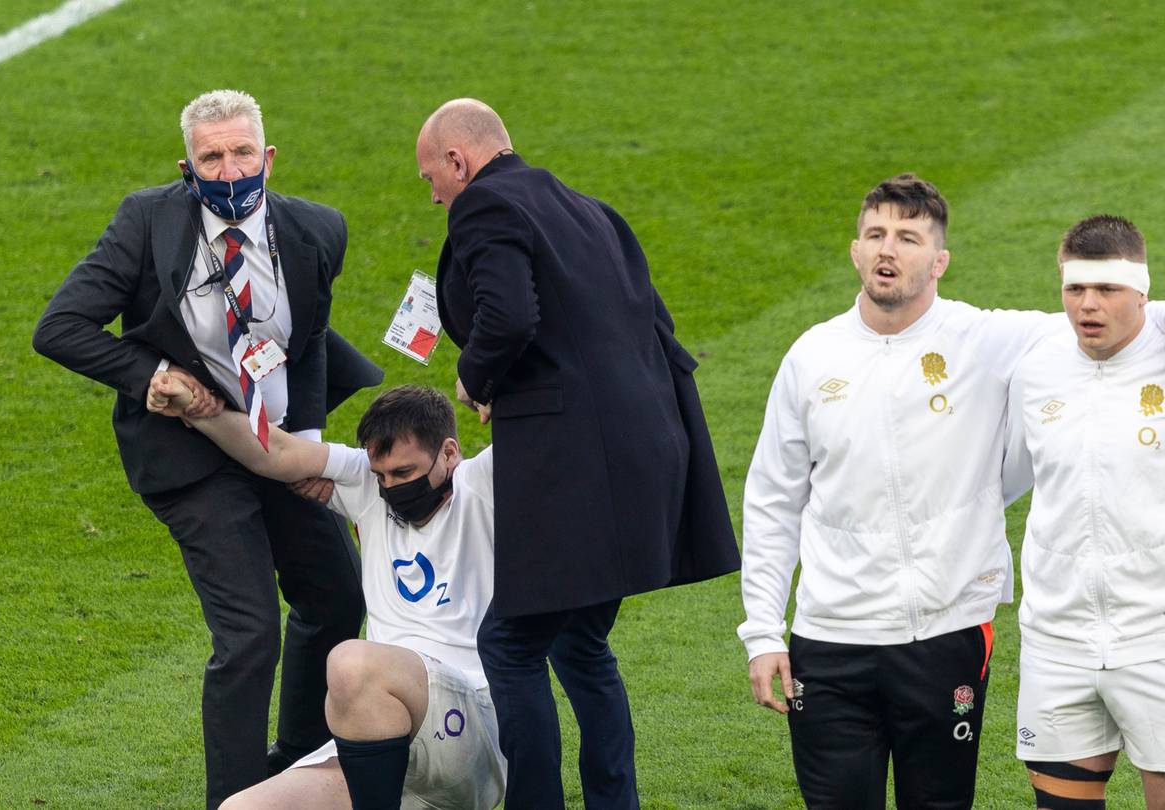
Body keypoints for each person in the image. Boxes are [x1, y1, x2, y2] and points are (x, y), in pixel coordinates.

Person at [32, 89, 380, 808]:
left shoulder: (318, 231)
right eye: (211, 156)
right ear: (187, 166)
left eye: (241, 152)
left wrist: (307, 447)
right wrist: (151, 374)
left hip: (278, 442)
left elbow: (309, 338)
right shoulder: (147, 222)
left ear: (269, 158)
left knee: (338, 596)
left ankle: (294, 762)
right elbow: (59, 327)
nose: (228, 170)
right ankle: (237, 800)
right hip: (192, 457)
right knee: (251, 634)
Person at [415, 98, 740, 808]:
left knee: (510, 644)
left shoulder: (484, 208)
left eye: (430, 177)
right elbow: (652, 327)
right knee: (581, 643)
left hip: (575, 470)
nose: (433, 193)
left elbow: (510, 315)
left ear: (458, 161)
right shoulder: (592, 210)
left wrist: (475, 378)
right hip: (650, 453)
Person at [738, 173, 1056, 809]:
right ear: (855, 249)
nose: (889, 249)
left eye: (908, 238)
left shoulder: (985, 339)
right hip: (829, 642)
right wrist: (764, 633)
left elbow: (1104, 317)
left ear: (938, 261)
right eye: (876, 234)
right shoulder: (811, 356)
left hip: (946, 635)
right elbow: (773, 500)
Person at [147, 377, 506, 810]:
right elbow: (275, 452)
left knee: (351, 663)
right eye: (383, 475)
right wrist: (194, 406)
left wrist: (490, 380)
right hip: (377, 731)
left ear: (449, 452)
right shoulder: (368, 487)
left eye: (405, 473)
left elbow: (552, 421)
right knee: (239, 808)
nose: (391, 487)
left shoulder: (481, 484)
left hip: (469, 728)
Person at [1003, 215, 1165, 809]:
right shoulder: (1036, 363)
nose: (1087, 306)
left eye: (1107, 290)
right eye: (1075, 289)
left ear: (1142, 290)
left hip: (1157, 637)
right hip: (1058, 639)